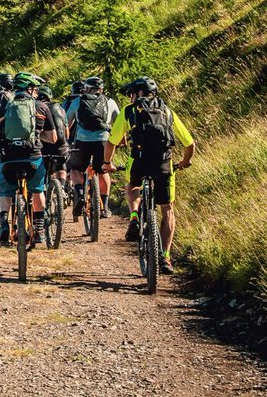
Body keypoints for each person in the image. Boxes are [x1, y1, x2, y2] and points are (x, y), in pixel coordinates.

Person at [103, 77, 195, 275]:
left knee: (132, 186)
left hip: (139, 161)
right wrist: (185, 162)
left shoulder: (129, 112)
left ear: (137, 94)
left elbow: (111, 142)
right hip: (164, 163)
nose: (129, 98)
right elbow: (190, 144)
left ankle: (134, 216)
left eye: (130, 94)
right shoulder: (168, 111)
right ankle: (166, 257)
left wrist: (107, 163)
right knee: (168, 209)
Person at [0, 71, 57, 245]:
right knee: (38, 190)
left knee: (5, 192)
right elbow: (53, 138)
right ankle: (39, 229)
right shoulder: (41, 107)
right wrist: (37, 137)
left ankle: (3, 225)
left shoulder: (5, 106)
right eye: (35, 89)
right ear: (29, 89)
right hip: (33, 158)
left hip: (9, 159)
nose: (37, 92)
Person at [65, 76, 119, 219]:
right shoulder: (110, 102)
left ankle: (80, 193)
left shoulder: (78, 101)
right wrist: (122, 140)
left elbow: (67, 123)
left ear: (87, 88)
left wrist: (66, 138)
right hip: (103, 141)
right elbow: (119, 123)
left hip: (82, 141)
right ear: (101, 89)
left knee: (75, 169)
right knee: (104, 170)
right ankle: (105, 206)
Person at [38, 85, 70, 190]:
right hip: (61, 146)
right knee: (60, 164)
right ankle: (61, 188)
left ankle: (42, 190)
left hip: (44, 145)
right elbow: (67, 133)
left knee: (41, 166)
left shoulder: (37, 108)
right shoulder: (61, 109)